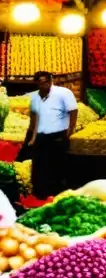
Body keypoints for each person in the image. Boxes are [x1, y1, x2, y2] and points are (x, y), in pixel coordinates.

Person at [26, 71, 78, 199]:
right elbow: (34, 116)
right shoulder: (35, 98)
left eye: (45, 82)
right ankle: (41, 193)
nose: (42, 85)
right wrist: (31, 134)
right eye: (39, 83)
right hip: (41, 135)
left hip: (58, 135)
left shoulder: (63, 93)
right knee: (40, 164)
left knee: (58, 163)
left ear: (50, 81)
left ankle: (58, 193)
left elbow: (73, 110)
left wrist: (70, 129)